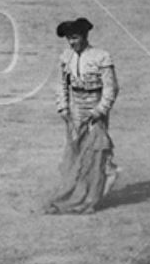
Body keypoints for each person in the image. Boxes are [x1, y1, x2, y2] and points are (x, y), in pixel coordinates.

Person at [47, 17, 119, 213]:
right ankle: (74, 195)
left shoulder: (101, 56)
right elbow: (61, 85)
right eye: (69, 38)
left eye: (75, 37)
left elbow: (111, 89)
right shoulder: (66, 57)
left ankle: (91, 200)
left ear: (85, 36)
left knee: (96, 154)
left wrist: (99, 111)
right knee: (76, 151)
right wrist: (63, 108)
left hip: (95, 107)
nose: (72, 42)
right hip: (75, 108)